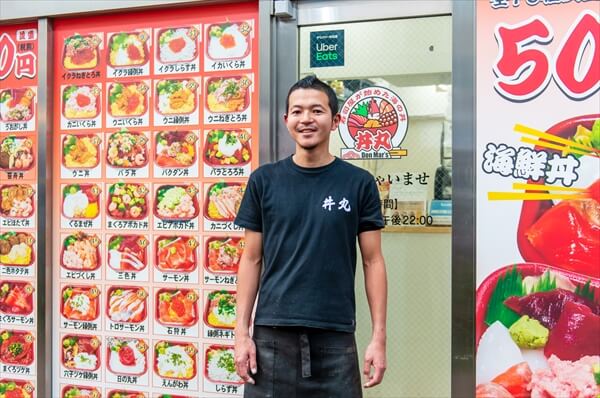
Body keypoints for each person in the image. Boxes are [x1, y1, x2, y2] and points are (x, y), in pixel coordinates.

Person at [234, 75, 387, 398]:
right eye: (297, 111)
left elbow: (373, 261)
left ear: (335, 120)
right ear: (286, 120)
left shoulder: (358, 184)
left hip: (335, 335)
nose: (306, 119)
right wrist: (241, 334)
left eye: (317, 111)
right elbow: (251, 258)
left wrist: (378, 337)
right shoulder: (264, 181)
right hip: (271, 335)